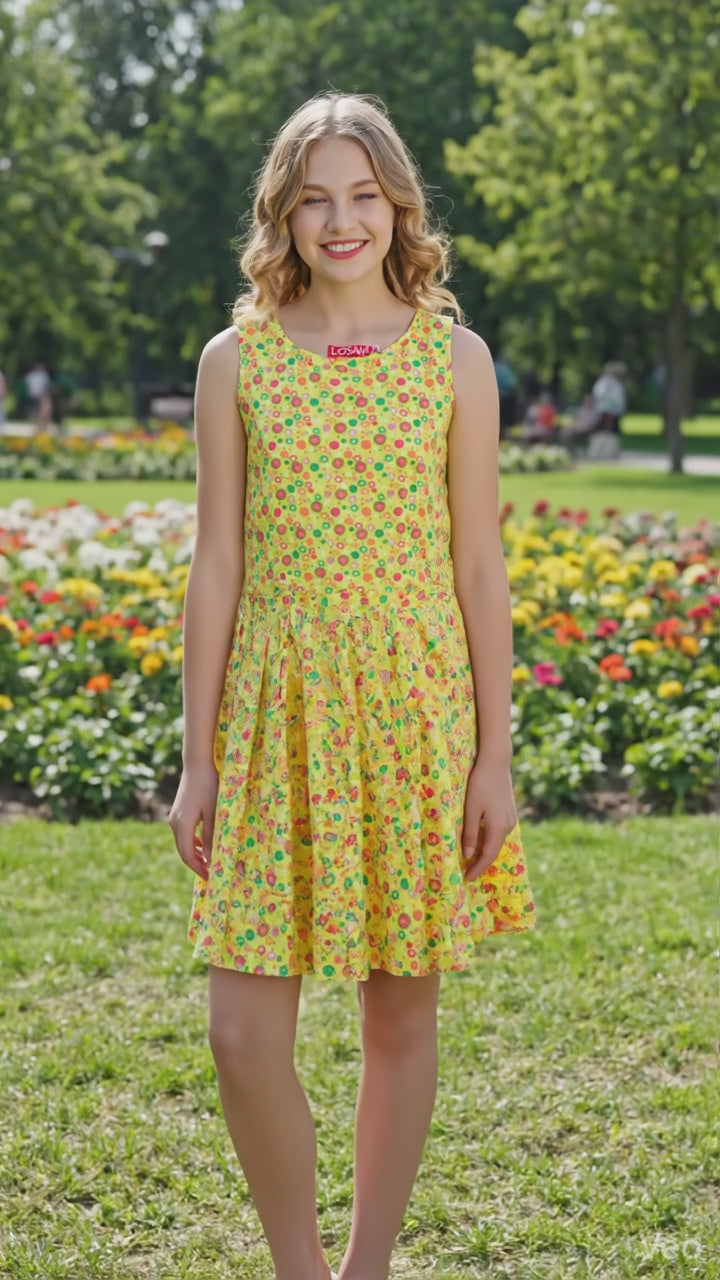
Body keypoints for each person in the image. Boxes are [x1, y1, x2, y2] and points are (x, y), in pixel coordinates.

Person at [168, 92, 536, 1280]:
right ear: (283, 213)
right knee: (240, 1031)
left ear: (397, 206)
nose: (341, 220)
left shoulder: (454, 359)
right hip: (273, 716)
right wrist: (197, 757)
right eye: (316, 198)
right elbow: (216, 564)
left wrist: (495, 755)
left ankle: (366, 1268)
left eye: (364, 195)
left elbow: (479, 564)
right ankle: (299, 1267)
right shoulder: (236, 359)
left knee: (398, 1010)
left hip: (414, 711)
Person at [591, 360, 627, 433]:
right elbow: (599, 394)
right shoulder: (605, 382)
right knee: (607, 430)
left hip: (612, 410)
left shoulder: (615, 382)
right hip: (607, 410)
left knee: (612, 430)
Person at [24, 361, 53, 430]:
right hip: (41, 396)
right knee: (43, 413)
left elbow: (26, 385)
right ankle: (43, 427)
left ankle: (37, 427)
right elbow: (47, 387)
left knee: (34, 412)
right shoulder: (43, 375)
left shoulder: (29, 376)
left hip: (31, 395)